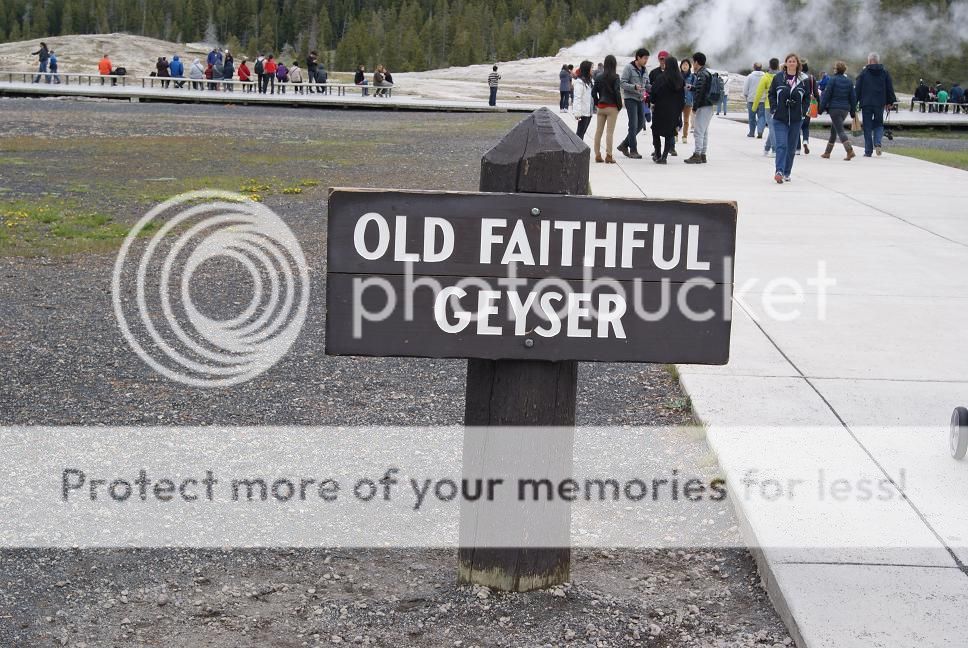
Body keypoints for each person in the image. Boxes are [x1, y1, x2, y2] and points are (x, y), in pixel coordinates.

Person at [768, 53, 811, 183]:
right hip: (780, 117)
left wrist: (803, 111)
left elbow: (807, 97)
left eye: (794, 61)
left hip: (796, 118)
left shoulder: (804, 79)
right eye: (789, 61)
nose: (791, 63)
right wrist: (774, 108)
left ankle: (787, 172)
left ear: (797, 64)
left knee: (791, 148)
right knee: (781, 145)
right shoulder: (778, 78)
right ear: (786, 63)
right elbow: (771, 94)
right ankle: (779, 171)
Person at [854, 53, 896, 157]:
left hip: (866, 103)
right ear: (878, 61)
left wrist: (854, 103)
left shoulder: (864, 73)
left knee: (867, 126)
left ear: (869, 61)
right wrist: (890, 102)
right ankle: (877, 143)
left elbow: (857, 88)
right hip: (879, 103)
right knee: (879, 123)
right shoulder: (885, 72)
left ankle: (868, 151)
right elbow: (889, 88)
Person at [818, 60, 857, 161]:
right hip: (845, 110)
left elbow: (826, 96)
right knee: (834, 130)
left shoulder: (832, 80)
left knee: (840, 131)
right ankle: (827, 152)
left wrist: (820, 109)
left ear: (836, 70)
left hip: (834, 109)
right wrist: (853, 111)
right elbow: (853, 98)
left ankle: (850, 151)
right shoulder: (849, 81)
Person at [650, 55, 685, 164]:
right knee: (669, 134)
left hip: (660, 109)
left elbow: (654, 93)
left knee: (655, 131)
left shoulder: (661, 78)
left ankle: (658, 154)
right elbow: (682, 98)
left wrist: (652, 102)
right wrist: (679, 111)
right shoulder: (680, 80)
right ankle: (664, 157)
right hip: (674, 111)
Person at [616, 48, 650, 159]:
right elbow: (622, 83)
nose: (646, 61)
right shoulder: (628, 68)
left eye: (647, 58)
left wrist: (654, 87)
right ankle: (633, 150)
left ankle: (624, 145)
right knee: (633, 124)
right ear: (638, 57)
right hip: (630, 99)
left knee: (641, 123)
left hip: (640, 99)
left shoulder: (645, 70)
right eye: (644, 58)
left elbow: (647, 84)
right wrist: (634, 87)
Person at [684, 52, 714, 164]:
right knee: (704, 132)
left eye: (693, 62)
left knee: (698, 132)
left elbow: (700, 92)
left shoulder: (701, 74)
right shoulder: (707, 73)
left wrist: (695, 107)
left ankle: (697, 155)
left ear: (696, 62)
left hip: (703, 105)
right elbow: (701, 89)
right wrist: (692, 88)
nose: (693, 64)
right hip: (709, 105)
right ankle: (702, 154)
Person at [593, 54, 623, 164]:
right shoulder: (616, 77)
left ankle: (597, 155)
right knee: (609, 133)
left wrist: (597, 103)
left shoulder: (598, 77)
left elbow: (593, 92)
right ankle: (609, 156)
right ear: (614, 64)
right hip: (612, 107)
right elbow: (617, 92)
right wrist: (619, 106)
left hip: (601, 107)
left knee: (598, 131)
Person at [753, 58, 780, 156]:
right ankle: (767, 148)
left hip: (769, 106)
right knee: (774, 128)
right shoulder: (782, 76)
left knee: (772, 127)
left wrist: (754, 106)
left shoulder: (765, 77)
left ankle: (774, 150)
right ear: (778, 66)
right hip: (780, 105)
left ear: (769, 66)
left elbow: (759, 93)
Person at [798, 61, 819, 154]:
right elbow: (815, 92)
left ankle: (797, 149)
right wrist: (819, 104)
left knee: (797, 127)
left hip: (798, 103)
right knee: (806, 126)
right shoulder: (811, 78)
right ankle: (805, 141)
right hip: (808, 103)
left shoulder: (797, 77)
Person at [571, 60, 595, 140]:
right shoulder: (579, 82)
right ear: (587, 69)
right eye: (591, 68)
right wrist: (577, 113)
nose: (592, 70)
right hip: (583, 113)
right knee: (580, 134)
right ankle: (576, 147)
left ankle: (578, 147)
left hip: (589, 111)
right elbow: (577, 98)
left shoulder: (590, 81)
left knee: (582, 133)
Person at [744, 62, 766, 138]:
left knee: (751, 117)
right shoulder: (765, 76)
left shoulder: (749, 77)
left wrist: (746, 95)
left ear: (753, 67)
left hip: (751, 100)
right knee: (762, 116)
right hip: (762, 100)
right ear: (761, 68)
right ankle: (760, 131)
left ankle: (751, 133)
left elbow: (745, 88)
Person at [680, 59, 696, 145]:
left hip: (688, 101)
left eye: (686, 64)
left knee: (686, 120)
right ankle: (675, 135)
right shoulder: (677, 76)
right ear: (681, 66)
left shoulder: (693, 77)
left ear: (689, 66)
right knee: (676, 119)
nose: (684, 66)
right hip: (678, 100)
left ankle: (685, 136)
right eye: (683, 64)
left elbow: (695, 88)